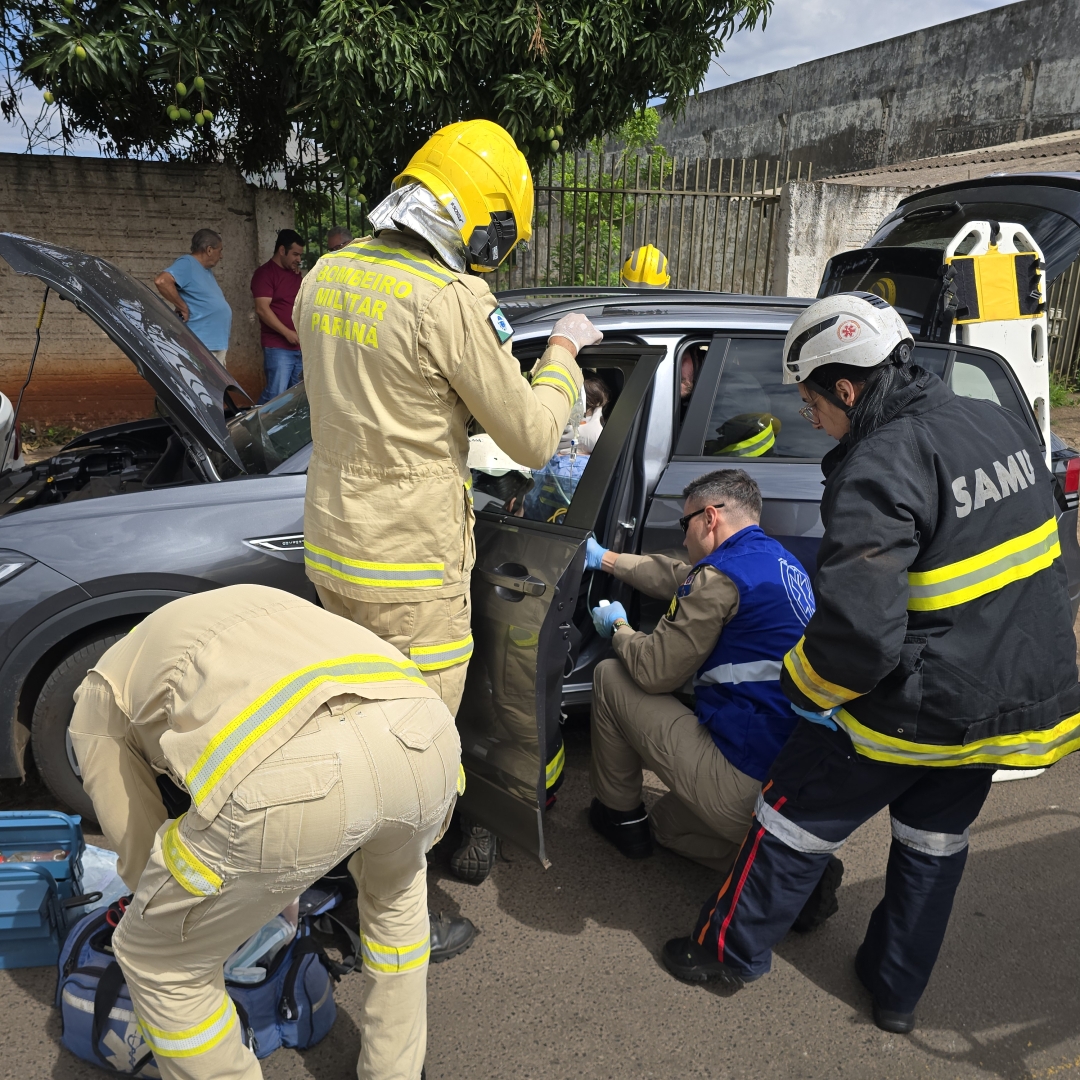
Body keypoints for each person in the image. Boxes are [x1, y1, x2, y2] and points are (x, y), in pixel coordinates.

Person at [663, 292, 1080, 1034]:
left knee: (789, 815)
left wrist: (800, 687)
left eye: (809, 396)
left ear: (848, 388)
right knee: (933, 845)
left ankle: (726, 952)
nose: (805, 411)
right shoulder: (999, 423)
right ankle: (896, 994)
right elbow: (1061, 569)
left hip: (916, 704)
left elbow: (858, 639)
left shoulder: (880, 463)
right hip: (1005, 702)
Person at [295, 118, 601, 886]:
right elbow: (532, 438)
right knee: (417, 741)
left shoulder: (324, 276)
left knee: (350, 719)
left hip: (333, 545)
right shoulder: (448, 298)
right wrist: (562, 351)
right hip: (409, 569)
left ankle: (339, 860)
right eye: (500, 235)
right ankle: (397, 902)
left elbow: (377, 397)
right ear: (479, 216)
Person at [68, 584, 466, 1080]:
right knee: (396, 898)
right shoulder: (251, 604)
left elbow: (139, 849)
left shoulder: (99, 696)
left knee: (160, 959)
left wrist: (192, 910)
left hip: (286, 779)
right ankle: (396, 1071)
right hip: (425, 734)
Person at [585, 469, 840, 923]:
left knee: (610, 675)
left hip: (742, 778)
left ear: (709, 518)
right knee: (666, 826)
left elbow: (654, 671)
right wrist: (605, 559)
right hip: (793, 781)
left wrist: (621, 629)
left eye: (684, 526)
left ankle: (618, 818)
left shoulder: (721, 576)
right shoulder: (780, 564)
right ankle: (791, 872)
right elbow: (678, 576)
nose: (683, 539)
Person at [154, 229, 232, 364]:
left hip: (213, 343)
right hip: (202, 344)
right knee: (204, 384)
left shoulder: (204, 269)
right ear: (209, 250)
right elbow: (162, 281)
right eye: (220, 250)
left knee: (216, 385)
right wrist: (182, 306)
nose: (221, 256)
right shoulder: (188, 263)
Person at [252, 229, 305, 403]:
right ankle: (251, 427)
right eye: (295, 254)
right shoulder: (265, 274)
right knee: (275, 396)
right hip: (278, 347)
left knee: (295, 398)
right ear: (282, 250)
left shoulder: (295, 274)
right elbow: (262, 309)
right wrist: (287, 333)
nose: (298, 259)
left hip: (299, 346)